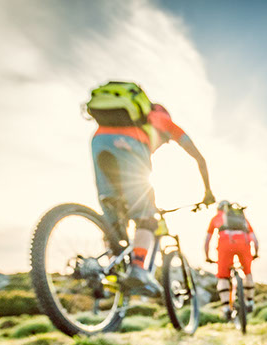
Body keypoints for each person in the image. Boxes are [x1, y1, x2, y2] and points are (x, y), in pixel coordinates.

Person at [91, 95, 215, 297]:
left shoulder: (133, 117)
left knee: (113, 210)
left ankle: (110, 272)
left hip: (98, 141)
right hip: (130, 143)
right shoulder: (165, 121)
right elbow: (199, 158)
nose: (164, 143)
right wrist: (208, 191)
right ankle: (138, 269)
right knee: (146, 217)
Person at [204, 201, 259, 320]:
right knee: (248, 273)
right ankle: (250, 302)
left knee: (223, 277)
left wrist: (207, 256)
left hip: (225, 244)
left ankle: (226, 309)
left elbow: (208, 239)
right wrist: (256, 253)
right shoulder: (241, 217)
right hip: (244, 243)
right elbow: (254, 238)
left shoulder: (217, 217)